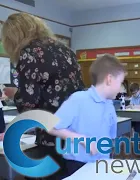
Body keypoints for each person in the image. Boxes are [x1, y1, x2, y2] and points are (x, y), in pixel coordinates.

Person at [1, 12, 84, 179]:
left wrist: (15, 94)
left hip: (53, 135)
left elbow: (28, 105)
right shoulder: (66, 50)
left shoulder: (29, 53)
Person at [49, 54, 126, 178]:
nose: (121, 89)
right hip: (77, 164)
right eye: (120, 83)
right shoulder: (78, 99)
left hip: (101, 164)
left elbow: (111, 137)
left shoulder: (109, 104)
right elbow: (51, 127)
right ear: (109, 79)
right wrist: (82, 139)